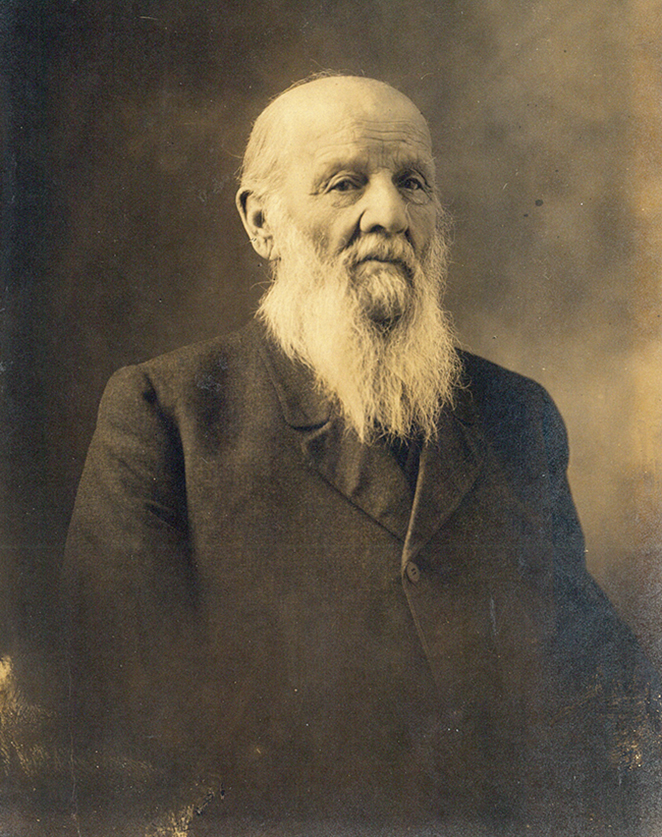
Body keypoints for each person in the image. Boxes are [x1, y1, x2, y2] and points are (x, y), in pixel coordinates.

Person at [62, 76, 661, 836]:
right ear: (262, 222)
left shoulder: (516, 415)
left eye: (412, 183)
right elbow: (119, 742)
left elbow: (604, 700)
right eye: (345, 184)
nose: (389, 214)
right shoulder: (164, 414)